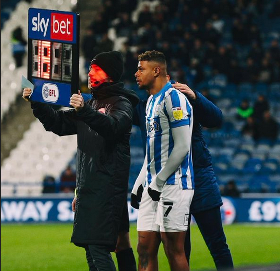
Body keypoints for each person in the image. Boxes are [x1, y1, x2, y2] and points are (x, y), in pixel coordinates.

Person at [22, 51, 139, 271]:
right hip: (89, 189)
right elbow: (57, 123)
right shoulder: (91, 104)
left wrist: (84, 111)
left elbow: (113, 127)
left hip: (107, 188)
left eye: (95, 68)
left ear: (109, 75)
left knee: (98, 249)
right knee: (90, 250)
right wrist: (36, 102)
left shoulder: (121, 103)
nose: (89, 72)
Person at [132, 80, 234, 270]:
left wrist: (196, 97)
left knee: (217, 244)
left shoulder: (181, 97)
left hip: (199, 179)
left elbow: (216, 119)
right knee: (178, 247)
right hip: (173, 183)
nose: (137, 75)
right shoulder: (145, 105)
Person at [132, 50, 194, 271]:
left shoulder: (174, 98)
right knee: (144, 248)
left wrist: (157, 183)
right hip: (153, 186)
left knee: (173, 250)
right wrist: (140, 182)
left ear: (156, 70)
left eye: (141, 68)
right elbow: (152, 152)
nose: (136, 73)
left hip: (174, 185)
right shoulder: (150, 102)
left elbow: (183, 147)